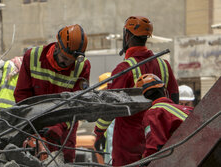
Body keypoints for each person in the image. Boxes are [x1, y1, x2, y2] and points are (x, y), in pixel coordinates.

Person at [94, 16, 179, 166]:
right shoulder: (164, 65)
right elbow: (174, 101)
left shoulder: (124, 69)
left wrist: (99, 132)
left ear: (127, 36)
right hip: (159, 139)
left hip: (129, 146)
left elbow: (110, 107)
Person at [14, 24, 91, 163]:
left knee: (64, 162)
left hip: (63, 133)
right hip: (33, 126)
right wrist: (31, 126)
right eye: (63, 57)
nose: (64, 62)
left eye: (69, 61)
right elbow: (22, 95)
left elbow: (77, 106)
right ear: (57, 46)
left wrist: (58, 127)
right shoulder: (32, 57)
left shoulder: (82, 67)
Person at [135, 74, 193, 159]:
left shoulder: (153, 112)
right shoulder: (187, 109)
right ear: (165, 91)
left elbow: (154, 147)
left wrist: (146, 162)